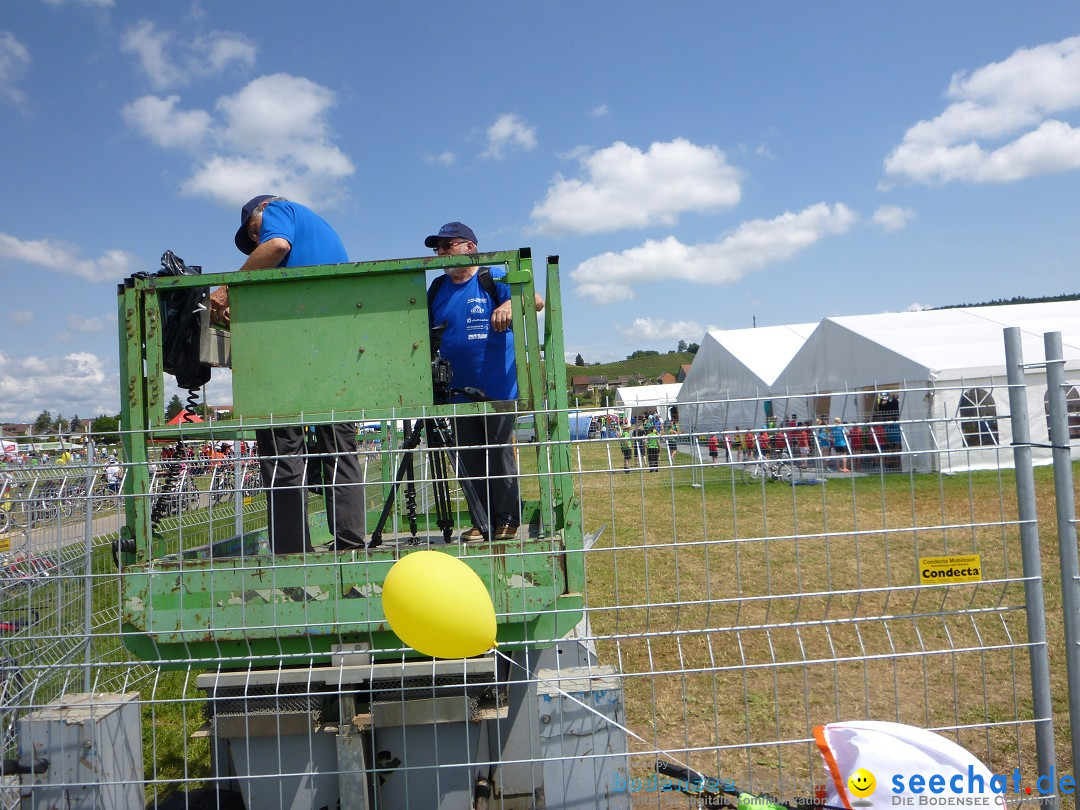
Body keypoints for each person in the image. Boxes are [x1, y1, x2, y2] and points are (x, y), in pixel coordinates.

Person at [209, 195, 366, 554]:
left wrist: (228, 290)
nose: (256, 241)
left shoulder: (279, 209)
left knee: (283, 449)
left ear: (260, 213)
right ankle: (350, 548)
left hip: (292, 355)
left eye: (254, 232)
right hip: (333, 350)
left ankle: (293, 554)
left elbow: (277, 245)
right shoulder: (318, 232)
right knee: (340, 448)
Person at [425, 222, 544, 542]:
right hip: (456, 393)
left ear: (469, 248)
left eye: (447, 246)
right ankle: (483, 520)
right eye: (438, 248)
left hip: (497, 388)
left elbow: (536, 299)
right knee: (470, 457)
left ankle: (508, 518)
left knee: (500, 452)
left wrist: (509, 304)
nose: (441, 253)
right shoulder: (436, 289)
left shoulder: (492, 278)